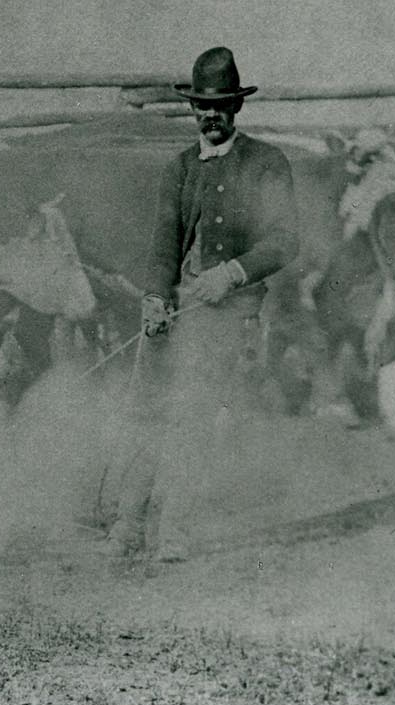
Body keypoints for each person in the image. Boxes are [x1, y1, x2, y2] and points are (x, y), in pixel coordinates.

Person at [107, 45, 298, 562]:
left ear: (237, 107)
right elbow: (164, 243)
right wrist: (154, 298)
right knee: (150, 409)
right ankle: (127, 525)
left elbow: (284, 241)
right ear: (192, 109)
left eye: (220, 105)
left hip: (232, 308)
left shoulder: (266, 163)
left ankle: (175, 529)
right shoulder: (180, 168)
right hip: (180, 302)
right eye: (201, 106)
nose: (210, 115)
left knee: (190, 412)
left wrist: (233, 273)